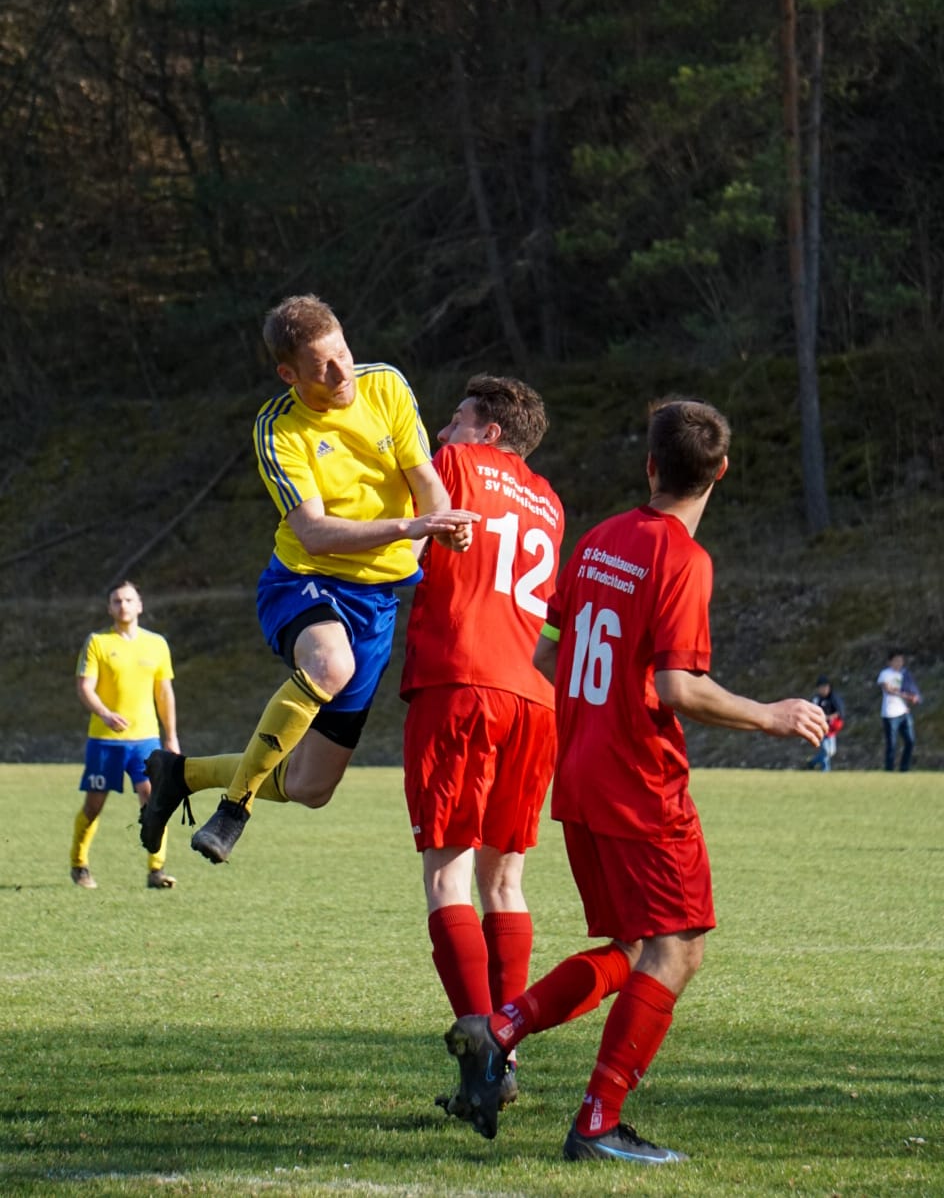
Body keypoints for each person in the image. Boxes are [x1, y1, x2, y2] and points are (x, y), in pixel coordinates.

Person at [441, 397, 827, 1163]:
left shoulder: (596, 543)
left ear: (650, 466)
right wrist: (773, 716)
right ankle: (595, 1124)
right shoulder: (685, 560)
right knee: (678, 949)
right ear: (720, 473)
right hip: (640, 782)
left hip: (579, 773)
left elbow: (547, 651)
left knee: (635, 944)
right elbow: (680, 688)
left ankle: (500, 1030)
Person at [139, 294, 477, 864]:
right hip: (305, 579)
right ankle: (234, 808)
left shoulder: (386, 385)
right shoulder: (278, 429)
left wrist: (440, 527)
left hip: (377, 601)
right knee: (330, 665)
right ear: (287, 373)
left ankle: (181, 774)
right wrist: (413, 525)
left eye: (344, 352)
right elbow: (315, 533)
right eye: (322, 365)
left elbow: (428, 483)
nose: (341, 372)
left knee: (309, 787)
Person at [400, 375, 565, 1112]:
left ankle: (481, 1058)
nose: (445, 427)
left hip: (460, 683)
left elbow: (389, 514)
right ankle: (510, 1051)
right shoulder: (551, 502)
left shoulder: (457, 467)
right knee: (506, 883)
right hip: (531, 699)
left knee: (447, 877)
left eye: (458, 418)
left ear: (488, 432)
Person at [72, 580, 180, 889]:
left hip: (146, 740)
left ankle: (156, 870)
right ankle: (79, 865)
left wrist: (171, 736)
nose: (123, 606)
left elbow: (164, 693)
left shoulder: (156, 644)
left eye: (129, 600)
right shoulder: (97, 643)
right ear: (109, 608)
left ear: (140, 605)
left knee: (153, 801)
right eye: (117, 601)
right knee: (94, 806)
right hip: (105, 741)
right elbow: (84, 688)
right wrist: (105, 713)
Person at [876, 650, 919, 772]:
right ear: (889, 662)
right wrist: (907, 696)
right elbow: (888, 690)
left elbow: (912, 690)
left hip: (904, 712)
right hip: (890, 713)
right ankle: (889, 769)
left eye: (901, 660)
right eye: (896, 660)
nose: (899, 663)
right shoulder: (885, 674)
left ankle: (904, 768)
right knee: (892, 744)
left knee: (910, 741)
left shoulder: (905, 675)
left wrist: (914, 697)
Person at [807, 674, 845, 771]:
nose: (824, 689)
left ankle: (813, 762)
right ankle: (825, 770)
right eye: (822, 687)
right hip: (820, 727)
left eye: (826, 687)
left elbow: (839, 712)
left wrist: (829, 717)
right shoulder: (817, 699)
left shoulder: (833, 698)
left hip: (831, 728)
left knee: (832, 751)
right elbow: (812, 711)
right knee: (825, 750)